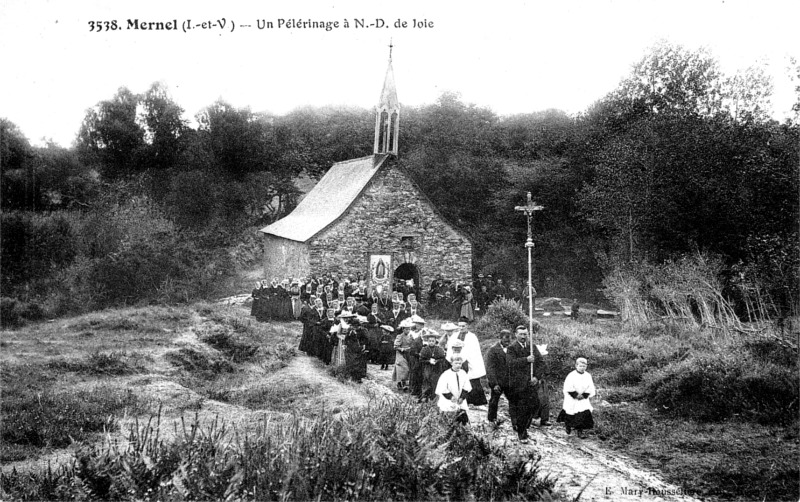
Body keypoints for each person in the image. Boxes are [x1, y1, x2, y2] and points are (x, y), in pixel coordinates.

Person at [442, 318, 488, 407]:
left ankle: (475, 401)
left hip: (469, 361)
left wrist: (465, 359)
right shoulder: (454, 336)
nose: (461, 328)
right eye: (459, 326)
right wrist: (454, 358)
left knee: (472, 380)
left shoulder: (472, 337)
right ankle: (457, 399)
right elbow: (450, 349)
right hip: (456, 360)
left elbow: (474, 351)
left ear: (467, 326)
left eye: (463, 326)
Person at [506, 325, 540, 443]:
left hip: (531, 384)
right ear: (516, 335)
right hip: (517, 386)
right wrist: (526, 360)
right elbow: (511, 363)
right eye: (521, 334)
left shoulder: (532, 347)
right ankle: (521, 433)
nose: (523, 337)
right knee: (521, 409)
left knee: (534, 406)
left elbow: (541, 364)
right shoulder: (511, 348)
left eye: (525, 334)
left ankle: (524, 427)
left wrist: (536, 377)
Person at [557, 357, 596, 438]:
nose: (582, 368)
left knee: (582, 414)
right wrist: (575, 395)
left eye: (584, 366)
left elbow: (591, 387)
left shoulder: (588, 376)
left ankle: (580, 431)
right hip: (572, 398)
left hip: (583, 398)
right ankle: (568, 425)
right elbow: (568, 386)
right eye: (580, 366)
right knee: (571, 412)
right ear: (576, 366)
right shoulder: (571, 375)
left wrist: (584, 395)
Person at [485, 329, 514, 426]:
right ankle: (491, 419)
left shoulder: (512, 349)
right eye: (506, 340)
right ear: (500, 338)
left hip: (509, 381)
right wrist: (494, 383)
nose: (508, 342)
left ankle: (515, 421)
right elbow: (490, 368)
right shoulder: (493, 350)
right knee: (494, 400)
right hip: (498, 381)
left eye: (509, 340)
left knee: (513, 400)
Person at [435, 356, 471, 425]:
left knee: (463, 420)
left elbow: (466, 387)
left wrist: (462, 397)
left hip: (460, 399)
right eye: (456, 363)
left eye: (460, 363)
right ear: (451, 363)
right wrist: (450, 397)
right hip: (449, 399)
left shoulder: (463, 373)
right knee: (449, 419)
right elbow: (442, 388)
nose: (458, 365)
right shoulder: (446, 374)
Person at [419, 331, 447, 401]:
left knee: (435, 381)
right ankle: (425, 396)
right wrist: (428, 361)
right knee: (426, 380)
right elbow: (421, 359)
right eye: (430, 341)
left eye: (433, 341)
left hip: (437, 368)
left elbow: (442, 358)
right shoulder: (424, 349)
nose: (431, 342)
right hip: (427, 367)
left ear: (435, 341)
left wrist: (437, 361)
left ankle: (434, 396)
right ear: (427, 341)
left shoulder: (439, 349)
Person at [393, 318, 414, 391]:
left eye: (409, 329)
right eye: (406, 329)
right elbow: (395, 346)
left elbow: (412, 344)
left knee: (407, 369)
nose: (408, 331)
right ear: (403, 329)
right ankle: (399, 383)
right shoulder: (400, 336)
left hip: (407, 354)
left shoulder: (411, 337)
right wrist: (401, 349)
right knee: (402, 368)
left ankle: (404, 382)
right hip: (400, 354)